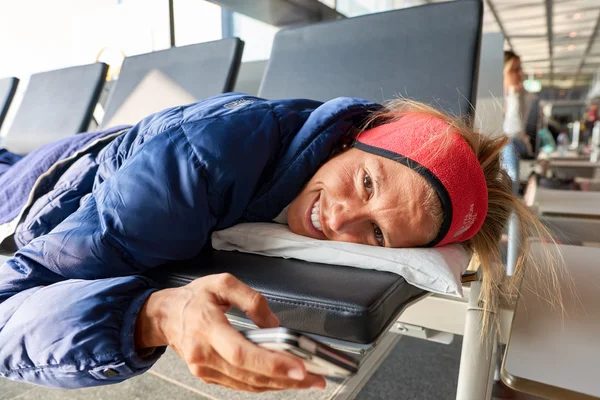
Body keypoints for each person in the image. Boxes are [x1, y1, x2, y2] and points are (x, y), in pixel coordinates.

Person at [0, 93, 559, 392]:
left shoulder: (308, 152)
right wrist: (150, 315)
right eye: (366, 181)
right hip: (30, 186)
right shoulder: (197, 166)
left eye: (378, 234)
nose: (341, 220)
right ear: (356, 139)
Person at [503, 50, 535, 158]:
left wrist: (517, 96)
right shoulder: (491, 98)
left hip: (517, 147)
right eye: (516, 70)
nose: (521, 73)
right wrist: (514, 97)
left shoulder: (519, 96)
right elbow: (513, 129)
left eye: (520, 69)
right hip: (508, 148)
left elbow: (517, 129)